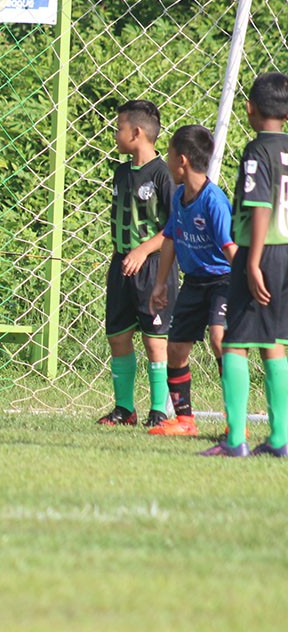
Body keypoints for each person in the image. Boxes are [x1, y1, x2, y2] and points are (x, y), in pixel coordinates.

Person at [202, 71, 288, 457]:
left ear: (251, 109)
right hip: (285, 252)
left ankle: (235, 439)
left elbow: (259, 206)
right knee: (275, 344)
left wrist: (251, 262)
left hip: (261, 251)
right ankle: (280, 438)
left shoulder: (258, 151)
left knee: (235, 342)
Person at [148, 125, 237, 436]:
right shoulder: (178, 197)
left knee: (219, 338)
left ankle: (234, 421)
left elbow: (230, 248)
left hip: (224, 280)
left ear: (181, 160)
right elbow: (170, 239)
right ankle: (185, 421)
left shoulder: (214, 201)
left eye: (169, 156)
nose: (168, 162)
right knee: (176, 348)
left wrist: (246, 283)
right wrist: (160, 284)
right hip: (194, 282)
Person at [96, 100, 179, 427]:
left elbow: (174, 226)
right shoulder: (120, 172)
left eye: (118, 128)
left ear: (137, 132)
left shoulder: (162, 174)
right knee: (117, 336)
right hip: (122, 265)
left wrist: (144, 251)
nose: (115, 134)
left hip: (154, 265)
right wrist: (127, 254)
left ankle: (159, 409)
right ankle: (124, 408)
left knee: (154, 339)